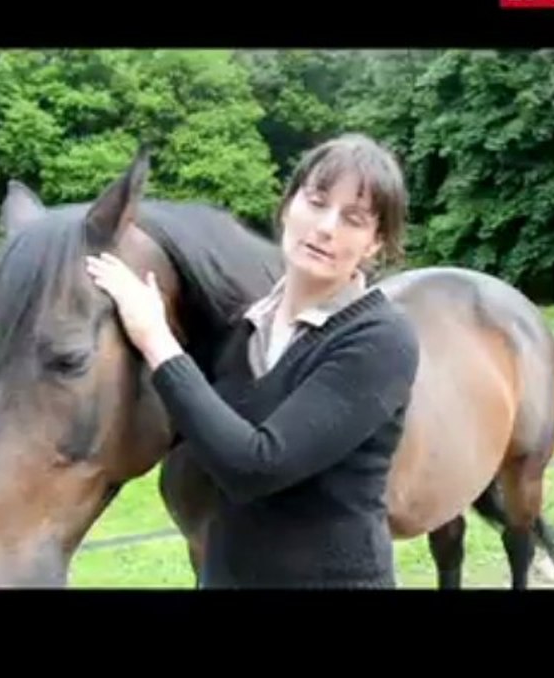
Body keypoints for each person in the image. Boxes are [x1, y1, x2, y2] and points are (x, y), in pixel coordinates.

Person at [85, 133, 419, 588]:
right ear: (287, 207)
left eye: (353, 219)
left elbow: (257, 466)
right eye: (316, 202)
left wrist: (155, 338)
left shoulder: (380, 340)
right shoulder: (240, 330)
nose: (326, 227)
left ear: (375, 243)